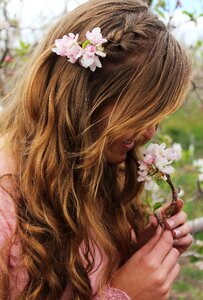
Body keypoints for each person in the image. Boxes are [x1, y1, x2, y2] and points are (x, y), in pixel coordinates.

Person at [0, 0, 193, 299]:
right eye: (140, 114)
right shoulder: (6, 213)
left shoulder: (97, 180)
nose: (149, 133)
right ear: (83, 97)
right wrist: (122, 295)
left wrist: (135, 254)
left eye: (157, 117)